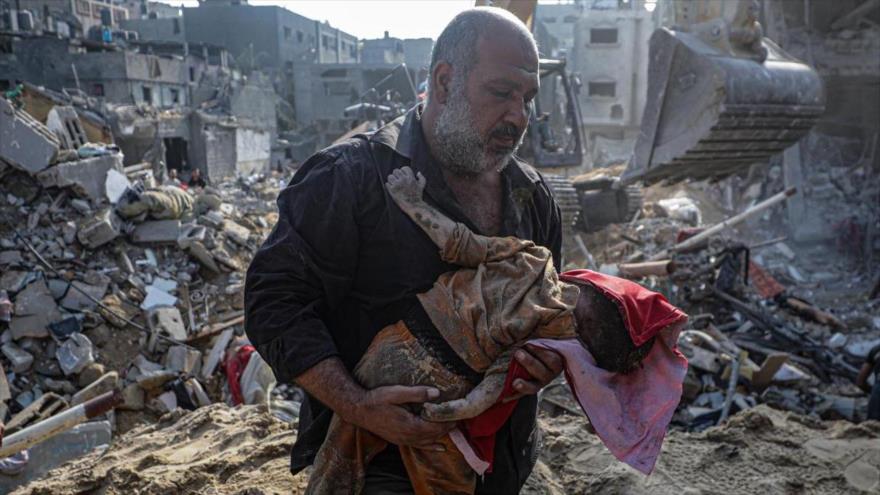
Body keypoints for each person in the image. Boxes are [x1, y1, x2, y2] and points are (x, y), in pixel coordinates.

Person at [246, 8, 566, 493]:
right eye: (502, 93)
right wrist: (355, 403)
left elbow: (545, 308)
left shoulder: (533, 196)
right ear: (443, 82)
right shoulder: (350, 178)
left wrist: (546, 362)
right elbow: (275, 304)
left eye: (528, 98)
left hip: (500, 463)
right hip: (379, 467)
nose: (519, 116)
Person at [304, 166, 688, 494]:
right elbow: (494, 384)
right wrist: (450, 411)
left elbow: (461, 247)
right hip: (432, 376)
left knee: (342, 457)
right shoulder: (547, 310)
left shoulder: (538, 276)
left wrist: (412, 201)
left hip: (406, 358)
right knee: (403, 469)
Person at [856, 343, 880, 420]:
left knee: (873, 429)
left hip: (877, 396)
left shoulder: (876, 350)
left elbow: (860, 382)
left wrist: (873, 391)